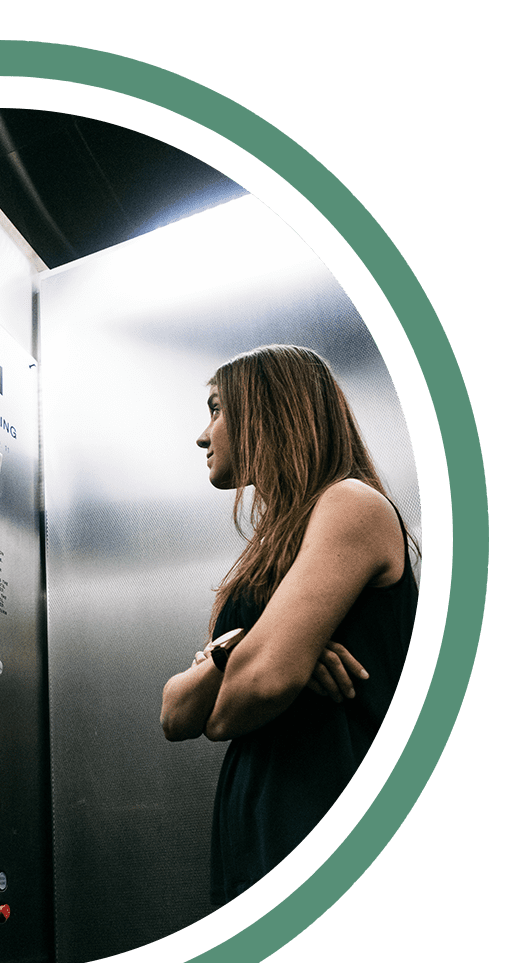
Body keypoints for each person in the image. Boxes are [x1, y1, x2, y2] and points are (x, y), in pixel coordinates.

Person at [159, 344, 418, 905]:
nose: (203, 436)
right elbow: (175, 713)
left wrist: (254, 664)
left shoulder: (351, 504)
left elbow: (239, 703)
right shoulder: (266, 555)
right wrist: (247, 647)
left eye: (217, 409)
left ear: (266, 411)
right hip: (257, 844)